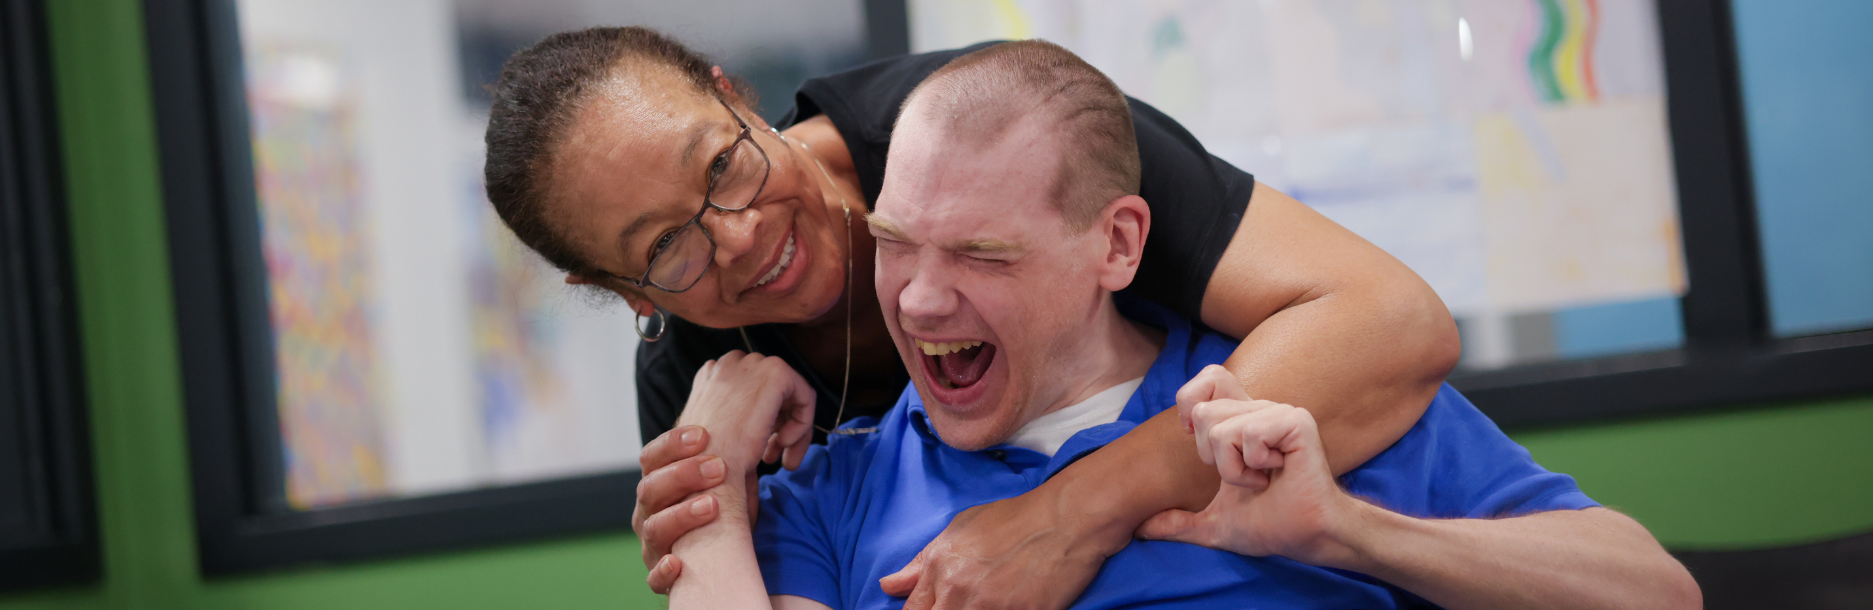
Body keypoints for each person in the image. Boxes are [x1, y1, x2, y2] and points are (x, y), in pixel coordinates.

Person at [660, 40, 1700, 610]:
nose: (922, 300)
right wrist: (712, 491)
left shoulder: (1286, 415)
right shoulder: (831, 497)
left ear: (1116, 246)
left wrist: (1346, 532)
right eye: (897, 241)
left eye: (982, 253)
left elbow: (1656, 593)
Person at [484, 27, 1457, 600]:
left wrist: (1069, 511)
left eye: (723, 164)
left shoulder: (991, 127)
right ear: (623, 296)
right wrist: (711, 516)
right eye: (666, 249)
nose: (735, 235)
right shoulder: (696, 386)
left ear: (733, 97)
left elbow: (1390, 318)